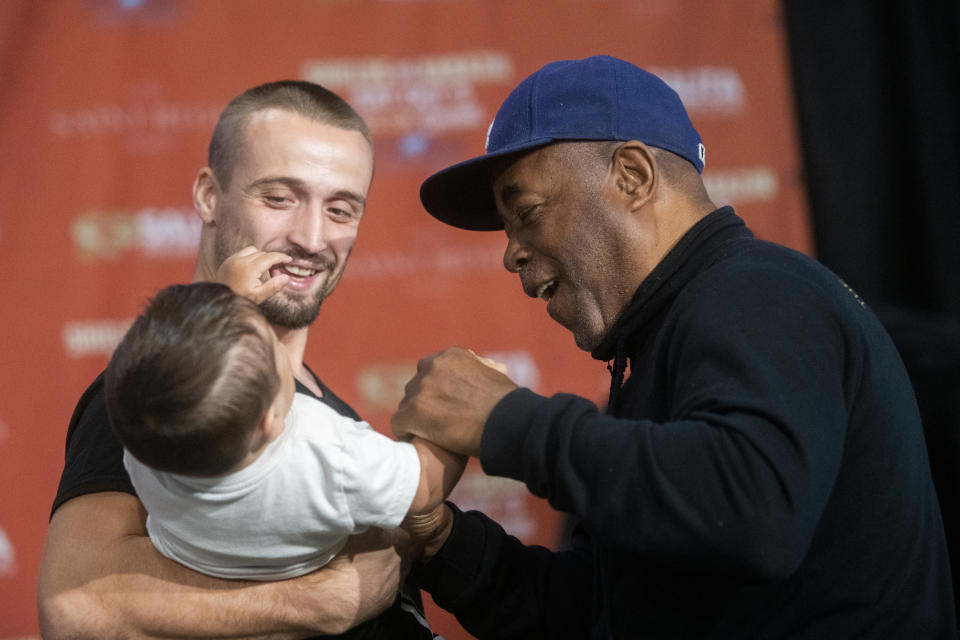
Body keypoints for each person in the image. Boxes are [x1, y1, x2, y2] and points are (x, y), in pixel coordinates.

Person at [392, 55, 958, 638]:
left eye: (527, 213)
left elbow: (751, 512)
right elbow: (599, 615)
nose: (510, 253)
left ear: (632, 176)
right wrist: (442, 539)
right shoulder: (660, 352)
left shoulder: (760, 292)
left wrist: (507, 422)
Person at [38, 80, 440, 639]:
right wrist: (323, 602)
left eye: (341, 209)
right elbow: (76, 612)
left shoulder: (333, 422)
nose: (311, 237)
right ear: (208, 195)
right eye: (279, 198)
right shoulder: (171, 389)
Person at [106, 280, 466, 581]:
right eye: (272, 344)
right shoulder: (329, 455)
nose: (281, 339)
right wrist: (461, 412)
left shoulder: (146, 437)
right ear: (271, 421)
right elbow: (424, 488)